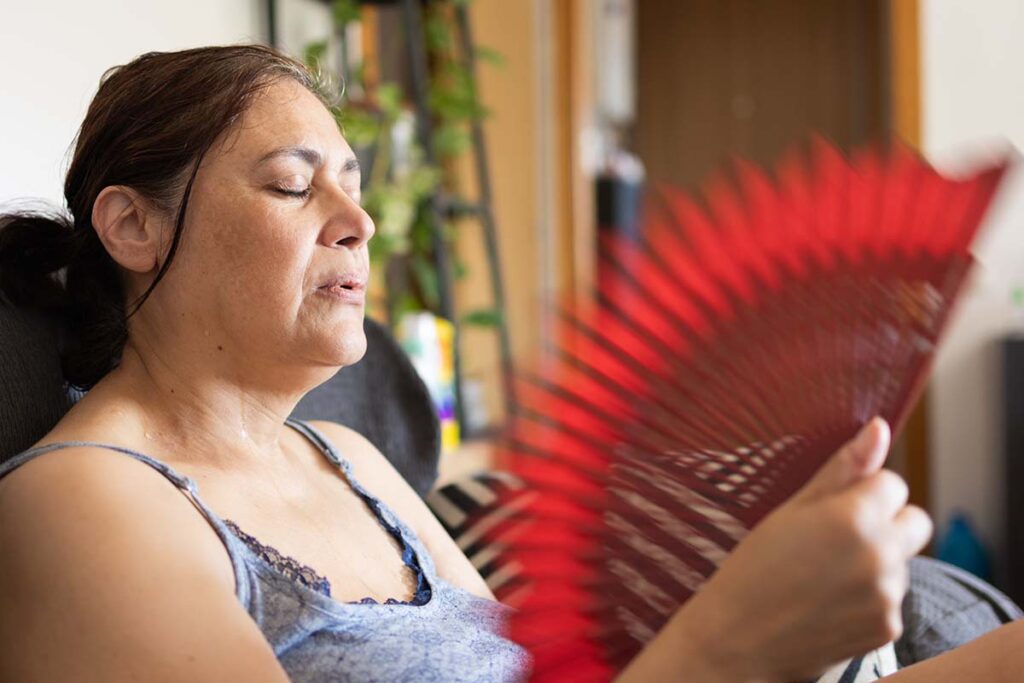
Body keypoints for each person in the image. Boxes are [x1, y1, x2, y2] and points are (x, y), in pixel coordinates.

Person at [0, 45, 1017, 682]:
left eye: (352, 185)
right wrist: (728, 647)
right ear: (132, 225)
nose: (356, 222)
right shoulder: (80, 505)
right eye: (291, 185)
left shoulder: (350, 456)